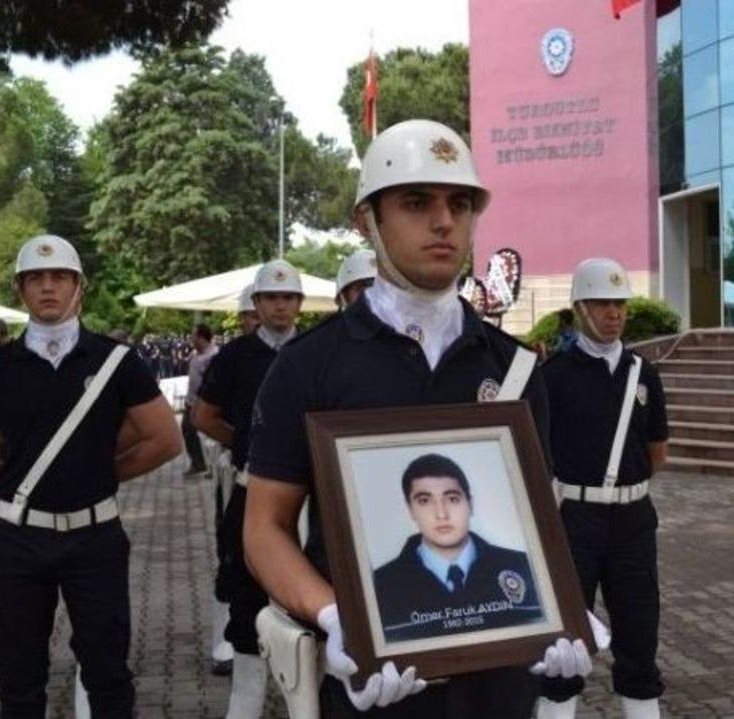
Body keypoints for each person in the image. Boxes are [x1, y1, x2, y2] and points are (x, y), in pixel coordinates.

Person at [243, 120, 604, 718]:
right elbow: (264, 529)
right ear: (367, 221)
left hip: (498, 689)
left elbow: (534, 523)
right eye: (417, 203)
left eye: (460, 205)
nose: (444, 222)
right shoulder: (309, 367)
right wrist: (338, 619)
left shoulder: (515, 368)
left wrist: (560, 616)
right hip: (373, 687)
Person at [0, 233, 182, 718]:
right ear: (20, 291)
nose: (48, 287)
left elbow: (164, 440)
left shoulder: (117, 362)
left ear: (79, 288)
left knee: (109, 675)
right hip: (19, 539)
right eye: (35, 279)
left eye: (60, 277)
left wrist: (100, 474)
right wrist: (14, 481)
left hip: (96, 537)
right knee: (19, 678)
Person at [542, 257, 670, 719]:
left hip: (633, 520)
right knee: (564, 636)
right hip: (574, 520)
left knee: (639, 629)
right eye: (603, 303)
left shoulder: (644, 373)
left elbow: (657, 452)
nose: (614, 313)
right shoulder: (553, 376)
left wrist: (622, 490)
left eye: (620, 304)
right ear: (579, 308)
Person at [193, 260, 303, 719]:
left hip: (310, 498)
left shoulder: (316, 352)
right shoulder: (233, 357)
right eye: (271, 298)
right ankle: (245, 702)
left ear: (299, 304)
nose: (280, 305)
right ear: (256, 304)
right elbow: (203, 417)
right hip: (251, 490)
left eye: (288, 297)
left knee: (314, 591)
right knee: (246, 590)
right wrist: (243, 446)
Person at [373, 453, 543, 643]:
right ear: (411, 509)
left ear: (470, 503)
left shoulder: (524, 566)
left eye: (452, 499)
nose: (441, 514)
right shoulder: (380, 584)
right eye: (424, 501)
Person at [181, 323, 217, 477]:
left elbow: (214, 382)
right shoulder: (197, 355)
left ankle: (214, 467)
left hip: (206, 402)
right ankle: (198, 462)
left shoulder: (213, 356)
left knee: (214, 435)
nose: (191, 339)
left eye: (193, 336)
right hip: (192, 401)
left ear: (201, 337)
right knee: (188, 430)